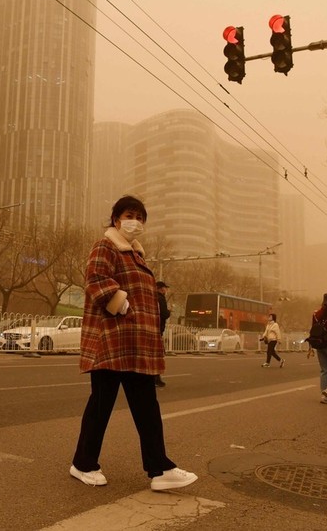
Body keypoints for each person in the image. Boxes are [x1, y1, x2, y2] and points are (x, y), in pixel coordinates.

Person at [70, 195, 197, 491]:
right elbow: (95, 279)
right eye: (130, 215)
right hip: (113, 341)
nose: (135, 221)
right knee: (101, 406)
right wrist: (123, 305)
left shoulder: (136, 255)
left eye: (140, 217)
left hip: (135, 345)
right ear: (116, 219)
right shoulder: (107, 245)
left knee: (147, 407)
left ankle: (159, 468)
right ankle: (83, 464)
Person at [154, 281, 170, 388]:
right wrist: (169, 312)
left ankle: (155, 378)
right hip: (157, 329)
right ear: (160, 288)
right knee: (157, 354)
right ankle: (156, 378)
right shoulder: (161, 298)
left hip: (150, 327)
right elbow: (164, 313)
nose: (166, 290)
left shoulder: (151, 296)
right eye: (165, 288)